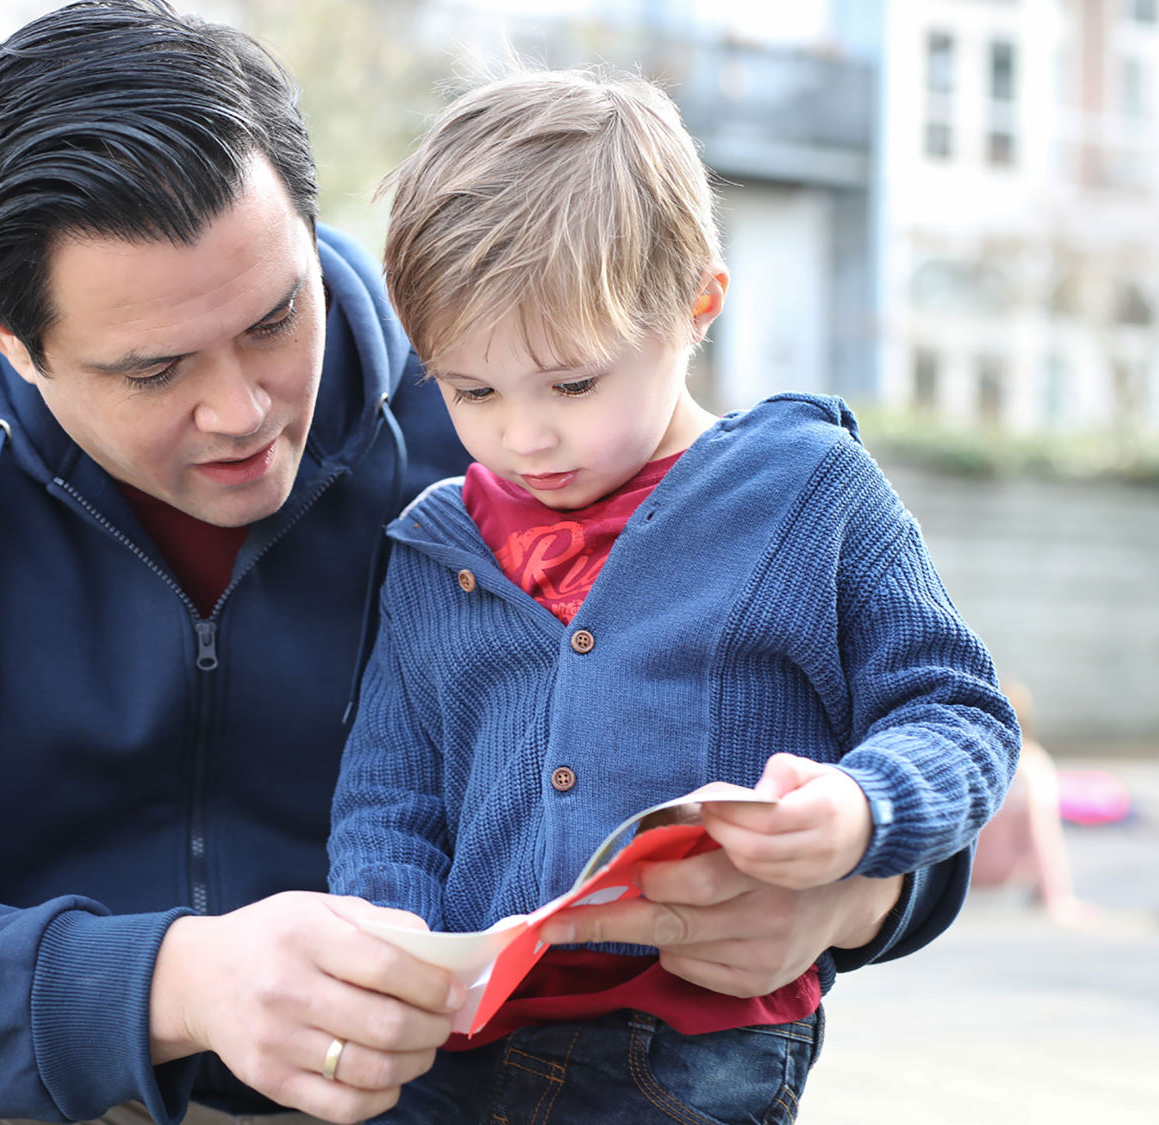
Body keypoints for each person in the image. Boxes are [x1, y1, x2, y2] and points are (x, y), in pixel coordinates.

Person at [0, 7, 987, 1124]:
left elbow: (875, 721)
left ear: (303, 212)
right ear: (7, 335)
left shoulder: (483, 412)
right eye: (154, 370)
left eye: (273, 316)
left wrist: (855, 898)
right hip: (45, 1071)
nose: (242, 410)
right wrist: (177, 980)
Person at [326, 68, 1020, 1124]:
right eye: (469, 391)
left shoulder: (804, 492)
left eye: (571, 383)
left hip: (695, 1055)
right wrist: (394, 945)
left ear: (697, 305)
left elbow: (956, 712)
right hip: (453, 1059)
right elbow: (389, 799)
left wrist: (859, 809)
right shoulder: (436, 548)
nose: (523, 437)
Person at [970, 681, 1098, 926]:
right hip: (1006, 876)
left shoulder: (969, 756)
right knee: (1040, 816)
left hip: (965, 876)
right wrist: (1058, 899)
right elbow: (1042, 836)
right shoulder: (1030, 765)